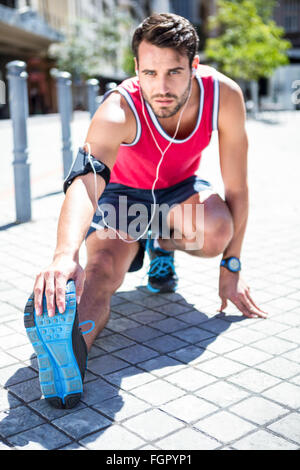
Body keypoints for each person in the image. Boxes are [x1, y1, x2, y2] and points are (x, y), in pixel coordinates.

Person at [24, 13, 268, 409]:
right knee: (101, 270)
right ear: (136, 68)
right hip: (121, 203)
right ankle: (69, 352)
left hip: (179, 198)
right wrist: (62, 257)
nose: (162, 86)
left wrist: (232, 266)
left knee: (217, 227)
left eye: (174, 72)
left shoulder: (223, 96)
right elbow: (86, 182)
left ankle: (159, 247)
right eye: (150, 73)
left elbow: (237, 187)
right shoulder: (118, 109)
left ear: (195, 66)